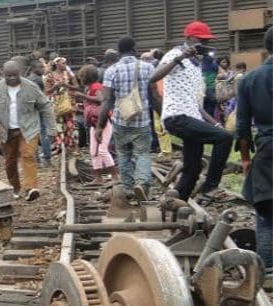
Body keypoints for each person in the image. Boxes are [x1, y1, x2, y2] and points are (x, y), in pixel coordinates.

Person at [150, 20, 234, 203]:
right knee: (224, 138)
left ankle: (176, 204)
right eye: (200, 40)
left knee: (192, 169)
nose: (204, 44)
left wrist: (216, 123)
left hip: (191, 116)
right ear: (189, 38)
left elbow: (197, 106)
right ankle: (211, 187)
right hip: (177, 116)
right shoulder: (176, 54)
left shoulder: (198, 66)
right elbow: (154, 77)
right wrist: (180, 58)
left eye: (206, 41)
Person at [0, 61, 56, 201]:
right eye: (8, 75)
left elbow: (45, 107)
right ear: (3, 74)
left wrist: (51, 129)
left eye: (14, 75)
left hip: (28, 129)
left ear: (20, 73)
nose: (11, 78)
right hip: (5, 131)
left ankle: (31, 188)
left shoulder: (31, 87)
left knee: (28, 155)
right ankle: (15, 188)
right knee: (10, 161)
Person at [96, 37, 155, 200]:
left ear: (118, 51)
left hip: (121, 120)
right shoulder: (148, 67)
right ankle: (142, 184)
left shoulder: (111, 70)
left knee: (123, 154)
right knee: (142, 154)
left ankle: (128, 187)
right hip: (141, 120)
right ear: (134, 49)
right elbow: (155, 96)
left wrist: (100, 126)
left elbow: (107, 100)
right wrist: (162, 116)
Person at [235, 27, 273, 283]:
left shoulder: (249, 80)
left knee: (266, 213)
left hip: (267, 151)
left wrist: (246, 159)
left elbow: (242, 126)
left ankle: (268, 272)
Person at [75, 65, 118, 184]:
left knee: (103, 150)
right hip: (94, 122)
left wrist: (82, 96)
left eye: (82, 76)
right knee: (94, 151)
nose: (80, 79)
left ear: (86, 77)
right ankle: (98, 178)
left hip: (103, 122)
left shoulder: (96, 86)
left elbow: (100, 99)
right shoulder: (89, 89)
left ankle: (115, 177)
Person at [45, 57, 79, 154]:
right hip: (57, 103)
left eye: (65, 63)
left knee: (72, 125)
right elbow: (46, 91)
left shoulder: (68, 74)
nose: (65, 65)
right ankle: (61, 146)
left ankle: (73, 147)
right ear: (57, 64)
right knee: (59, 125)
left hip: (69, 102)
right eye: (63, 63)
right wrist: (56, 86)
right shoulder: (50, 76)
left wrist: (66, 85)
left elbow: (77, 87)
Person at [27, 60, 52, 165]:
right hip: (39, 109)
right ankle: (47, 158)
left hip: (30, 110)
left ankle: (36, 159)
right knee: (44, 133)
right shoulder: (38, 80)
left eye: (43, 67)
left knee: (32, 134)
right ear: (34, 68)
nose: (43, 69)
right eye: (40, 67)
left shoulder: (28, 79)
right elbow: (41, 97)